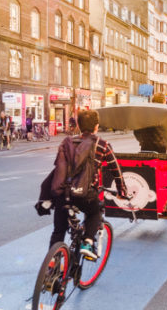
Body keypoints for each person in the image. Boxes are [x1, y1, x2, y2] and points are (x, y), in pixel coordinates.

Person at [49, 109, 125, 260]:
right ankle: (88, 242)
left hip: (63, 194)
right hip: (85, 194)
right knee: (95, 212)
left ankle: (52, 265)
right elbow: (115, 169)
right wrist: (122, 190)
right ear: (96, 126)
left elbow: (58, 167)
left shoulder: (67, 142)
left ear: (78, 125)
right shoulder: (102, 144)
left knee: (58, 231)